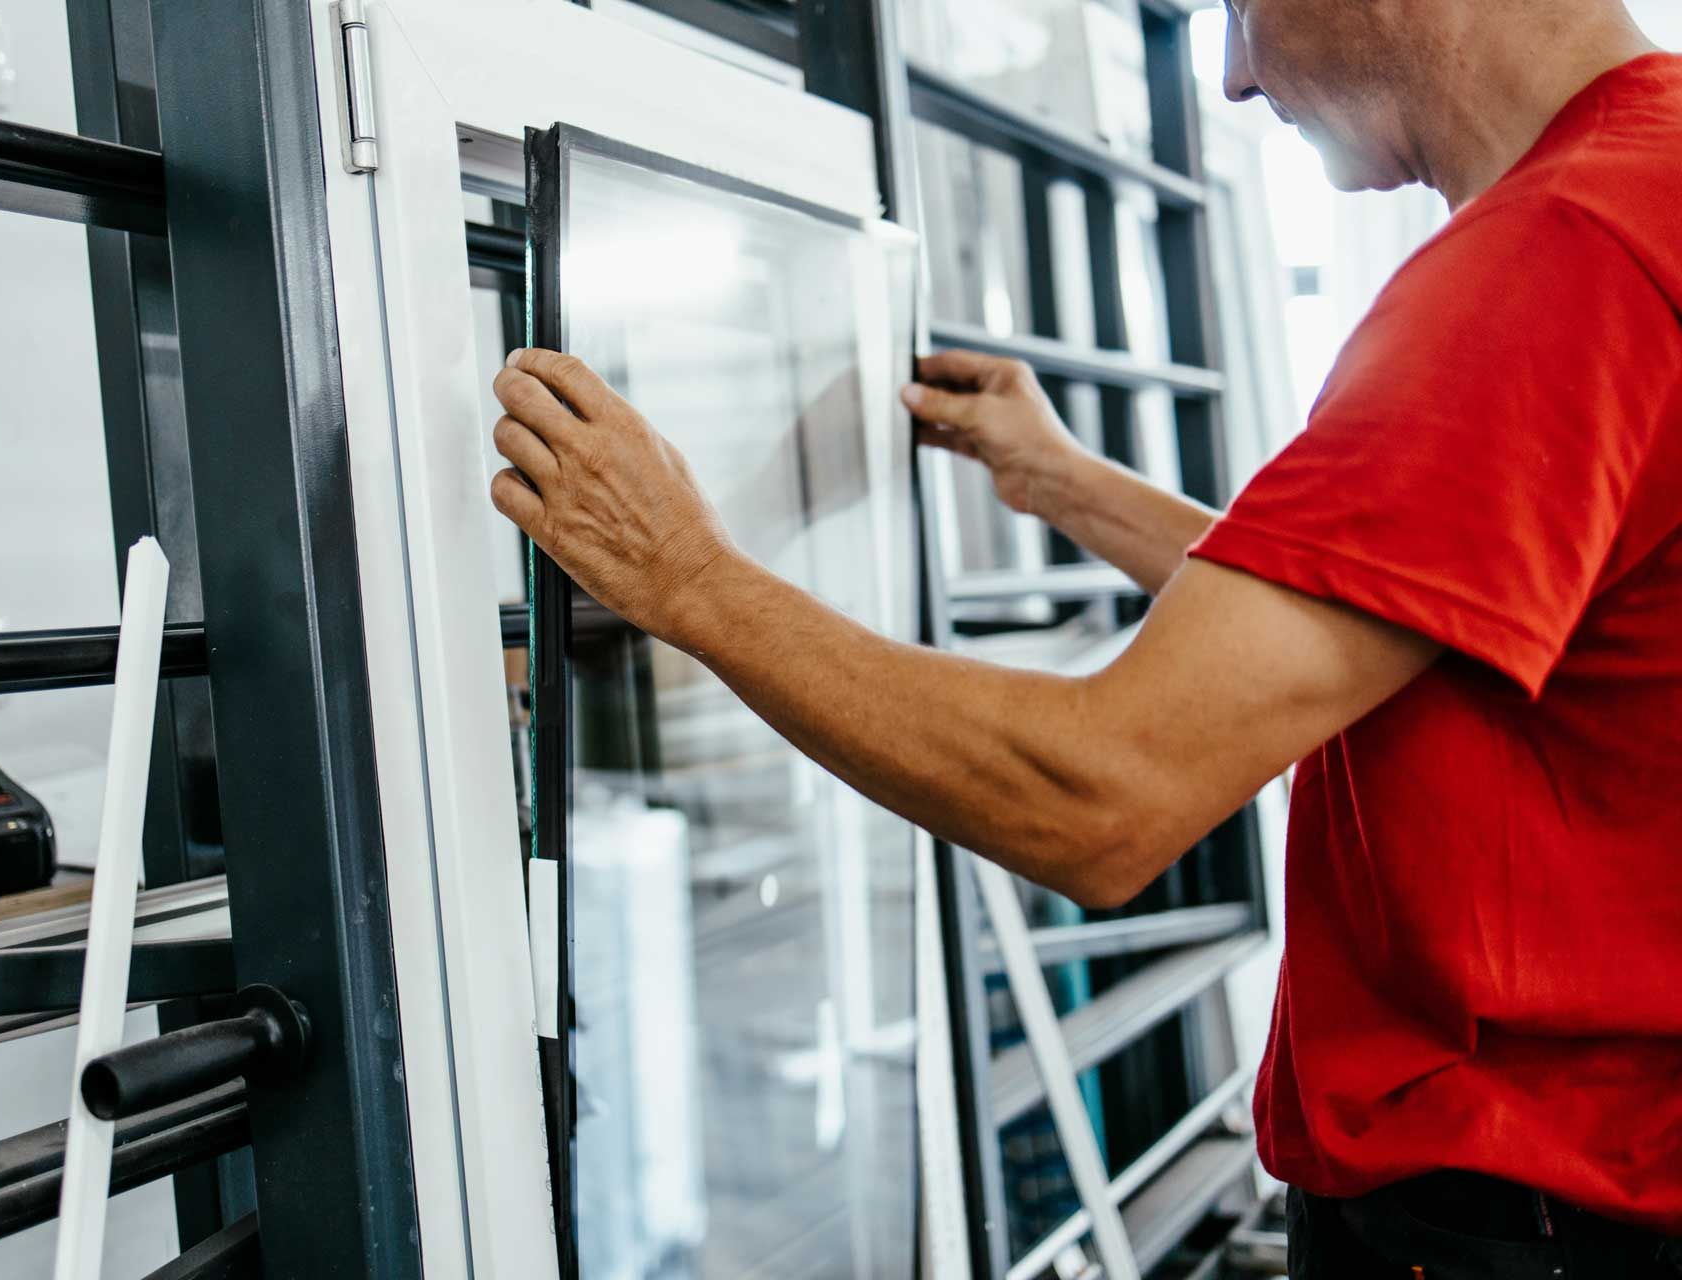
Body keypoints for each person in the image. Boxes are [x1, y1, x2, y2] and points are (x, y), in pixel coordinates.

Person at [486, 0, 1682, 1273]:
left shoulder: (1558, 254)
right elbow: (1388, 612)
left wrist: (690, 581)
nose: (1229, 74)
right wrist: (1060, 482)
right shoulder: (1642, 190)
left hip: (1532, 1226)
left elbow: (1102, 794)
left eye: (1235, 8)